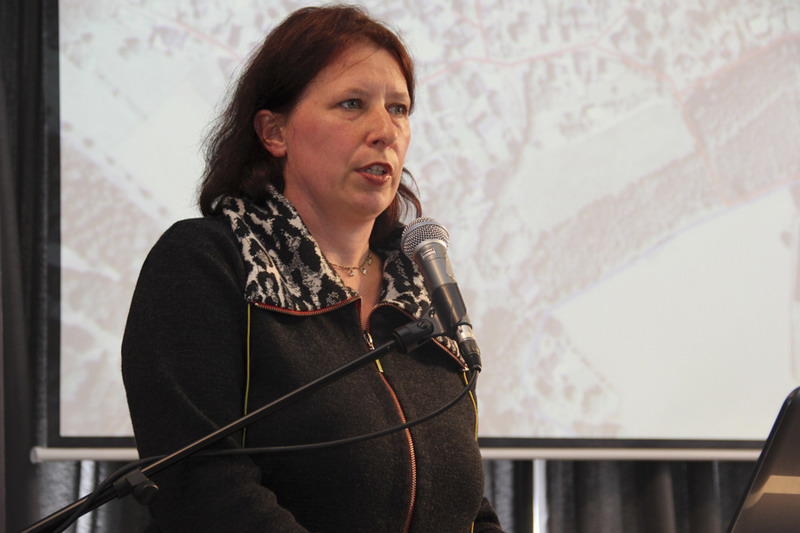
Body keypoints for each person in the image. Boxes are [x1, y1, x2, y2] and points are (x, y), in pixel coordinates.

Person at [122, 5, 504, 532]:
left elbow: (466, 506)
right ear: (275, 132)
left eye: (398, 108)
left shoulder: (419, 292)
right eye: (352, 104)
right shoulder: (209, 263)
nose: (385, 131)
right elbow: (203, 484)